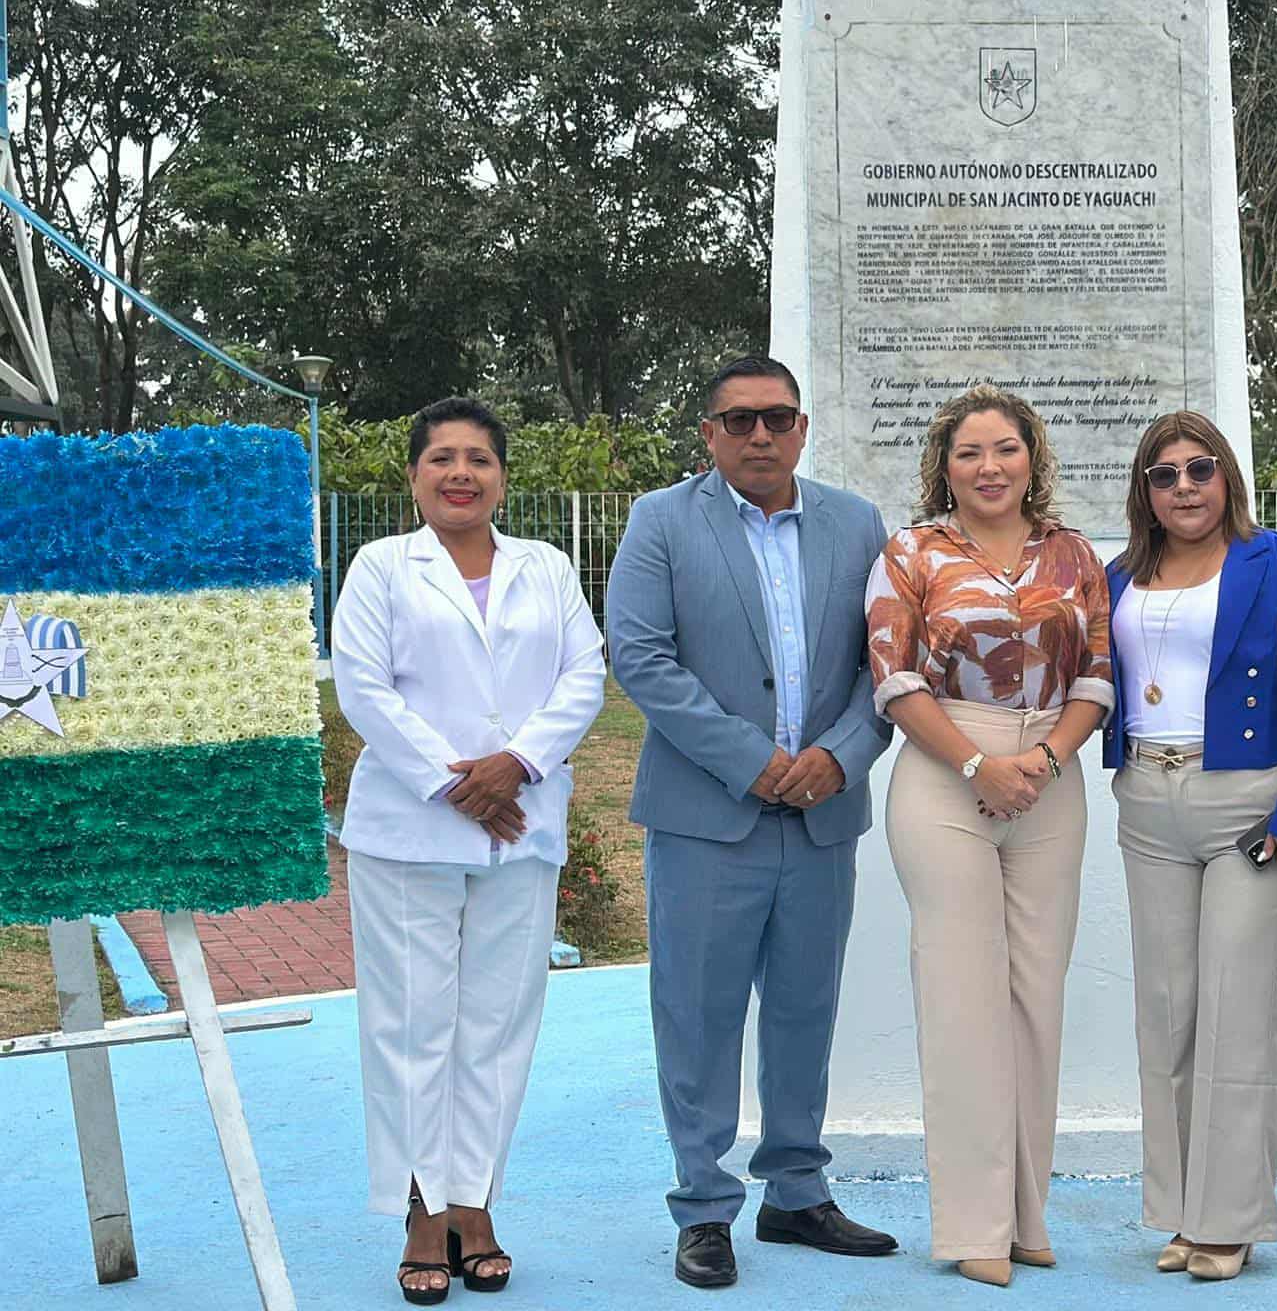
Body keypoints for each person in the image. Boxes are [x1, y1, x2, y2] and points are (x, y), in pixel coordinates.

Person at [606, 354, 899, 1290]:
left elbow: (887, 663)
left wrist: (840, 756)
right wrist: (752, 761)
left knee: (806, 1008)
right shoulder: (660, 521)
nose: (760, 435)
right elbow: (640, 658)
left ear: (802, 428)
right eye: (739, 420)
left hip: (821, 814)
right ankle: (703, 1204)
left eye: (777, 418)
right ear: (709, 434)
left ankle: (796, 1193)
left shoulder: (857, 524)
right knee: (698, 1014)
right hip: (707, 817)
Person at [332, 396, 607, 1305]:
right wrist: (459, 785)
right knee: (412, 1024)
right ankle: (423, 1213)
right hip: (411, 831)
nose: (460, 473)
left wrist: (516, 765)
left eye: (478, 459)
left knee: (496, 1026)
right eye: (442, 458)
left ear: (501, 477)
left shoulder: (546, 567)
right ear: (414, 476)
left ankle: (474, 1204)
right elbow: (364, 689)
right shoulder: (381, 567)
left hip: (521, 826)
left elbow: (584, 675)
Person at [863, 383, 1111, 1288]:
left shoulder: (1072, 553)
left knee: (1036, 1001)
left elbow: (1096, 675)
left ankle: (1026, 1217)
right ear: (945, 466)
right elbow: (894, 680)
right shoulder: (912, 552)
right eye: (969, 452)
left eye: (1005, 448)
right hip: (945, 776)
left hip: (1050, 774)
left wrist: (1041, 760)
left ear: (1031, 456)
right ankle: (973, 1227)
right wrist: (978, 764)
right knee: (962, 1002)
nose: (989, 466)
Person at [1101, 412, 1277, 1282]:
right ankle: (1181, 1211)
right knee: (1167, 1012)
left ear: (1226, 475)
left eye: (1200, 469)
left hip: (1247, 800)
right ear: (1146, 492)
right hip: (1147, 796)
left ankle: (1229, 1220)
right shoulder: (1119, 574)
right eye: (1164, 475)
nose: (1185, 487)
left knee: (1240, 1010)